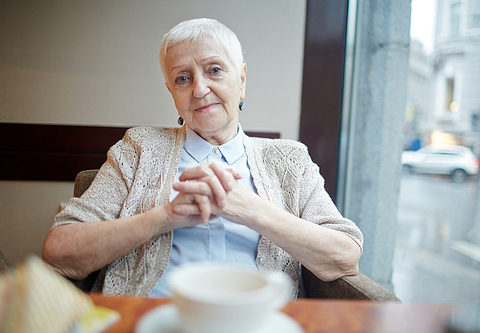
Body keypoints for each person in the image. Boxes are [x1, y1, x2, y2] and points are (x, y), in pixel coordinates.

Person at [43, 18, 363, 299]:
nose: (199, 89)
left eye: (214, 70)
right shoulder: (140, 147)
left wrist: (249, 209)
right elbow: (59, 251)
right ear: (171, 92)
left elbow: (345, 255)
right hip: (155, 319)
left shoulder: (288, 159)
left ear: (242, 79)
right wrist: (165, 217)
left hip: (256, 322)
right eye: (183, 78)